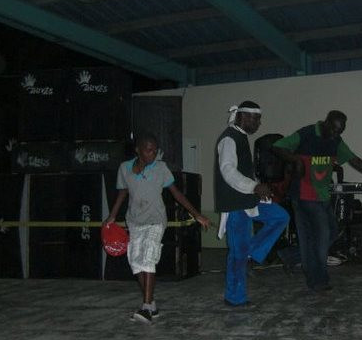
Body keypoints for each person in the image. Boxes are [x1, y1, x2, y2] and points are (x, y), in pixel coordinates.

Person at [105, 134, 210, 324]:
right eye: (148, 150)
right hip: (134, 221)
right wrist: (112, 215)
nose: (153, 154)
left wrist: (196, 214)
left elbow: (176, 193)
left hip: (155, 220)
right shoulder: (125, 168)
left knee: (148, 259)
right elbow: (123, 192)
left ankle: (146, 307)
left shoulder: (161, 168)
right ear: (138, 150)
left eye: (155, 150)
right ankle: (152, 305)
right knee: (136, 263)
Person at [273, 110, 362, 291]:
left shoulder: (336, 140)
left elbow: (354, 160)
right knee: (322, 235)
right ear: (326, 123)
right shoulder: (307, 134)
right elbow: (278, 146)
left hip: (322, 194)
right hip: (303, 194)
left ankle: (291, 256)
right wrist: (296, 159)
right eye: (333, 130)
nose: (335, 135)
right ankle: (318, 280)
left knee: (332, 232)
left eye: (339, 132)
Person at [215, 101, 289, 306]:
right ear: (242, 117)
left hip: (248, 199)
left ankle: (252, 251)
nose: (259, 123)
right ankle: (234, 298)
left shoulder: (241, 137)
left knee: (280, 216)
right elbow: (228, 171)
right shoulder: (229, 138)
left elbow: (243, 172)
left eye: (259, 119)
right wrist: (254, 187)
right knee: (237, 254)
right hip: (235, 204)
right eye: (256, 119)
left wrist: (257, 188)